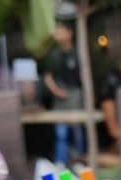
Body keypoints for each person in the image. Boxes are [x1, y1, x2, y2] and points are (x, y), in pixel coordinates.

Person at [42, 21, 85, 166]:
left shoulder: (79, 52)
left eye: (60, 31)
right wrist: (57, 91)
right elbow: (47, 77)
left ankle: (79, 161)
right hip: (59, 98)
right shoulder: (53, 54)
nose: (57, 35)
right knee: (61, 133)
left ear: (69, 32)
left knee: (77, 130)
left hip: (75, 96)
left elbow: (84, 75)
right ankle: (60, 162)